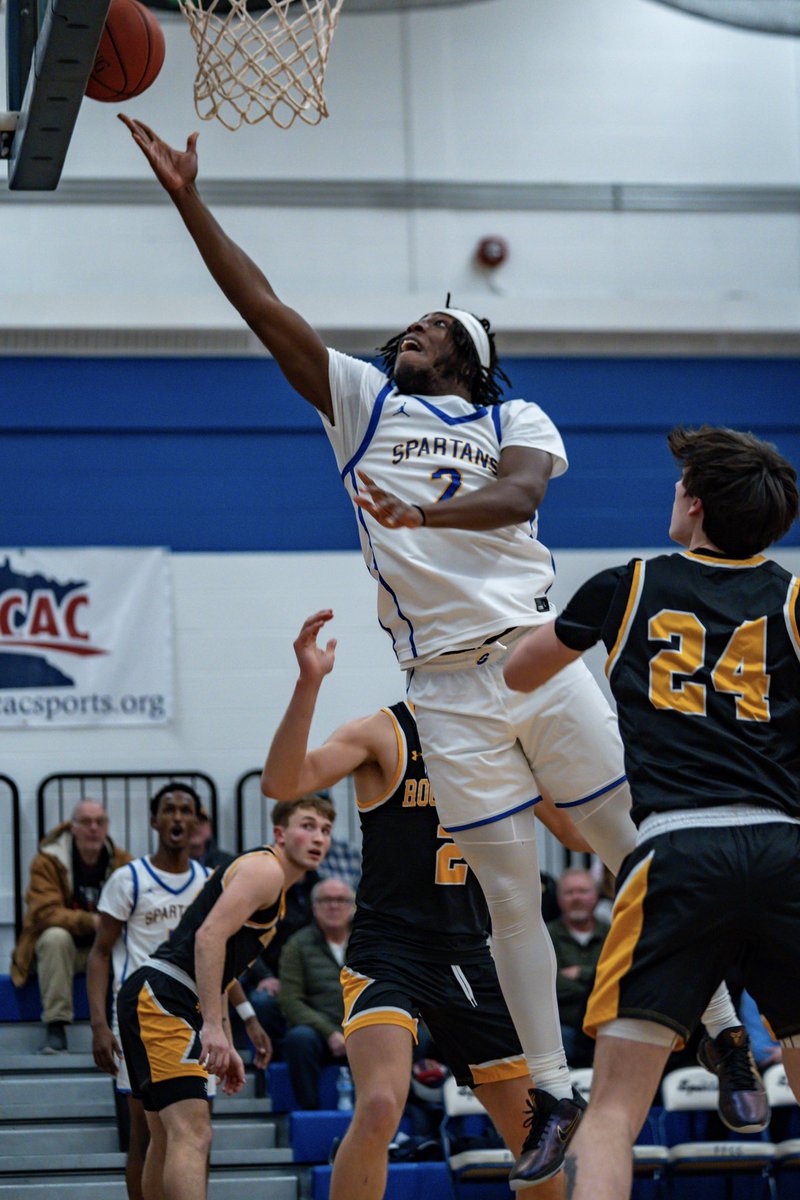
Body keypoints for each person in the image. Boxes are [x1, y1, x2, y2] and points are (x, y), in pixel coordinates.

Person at [118, 116, 753, 1185]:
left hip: (536, 657)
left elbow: (511, 496)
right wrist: (189, 200)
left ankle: (726, 1029)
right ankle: (551, 1091)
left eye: (428, 327)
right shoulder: (365, 405)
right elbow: (262, 309)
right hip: (438, 689)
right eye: (405, 328)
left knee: (635, 849)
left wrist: (424, 525)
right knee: (510, 887)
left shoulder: (522, 418)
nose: (406, 333)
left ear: (469, 352)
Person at [503, 424, 800, 1200]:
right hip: (784, 850)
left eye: (678, 487)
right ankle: (731, 1042)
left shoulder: (626, 583)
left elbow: (520, 670)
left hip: (677, 851)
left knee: (611, 1115)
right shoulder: (796, 599)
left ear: (695, 507)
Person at [261, 609, 600, 1200]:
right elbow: (282, 783)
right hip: (389, 949)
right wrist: (308, 683)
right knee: (381, 1104)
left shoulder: (507, 738)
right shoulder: (385, 732)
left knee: (536, 1145)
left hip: (471, 954)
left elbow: (574, 833)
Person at [115, 793, 334, 1200]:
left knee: (166, 1135)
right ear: (280, 833)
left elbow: (219, 968)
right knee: (193, 1132)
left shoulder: (274, 886)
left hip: (155, 994)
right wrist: (212, 1027)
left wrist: (227, 1036)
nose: (318, 837)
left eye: (325, 829)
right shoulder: (265, 870)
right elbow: (208, 938)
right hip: (166, 996)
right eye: (307, 826)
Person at [86, 782, 269, 1200]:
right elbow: (98, 954)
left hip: (198, 1016)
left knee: (195, 1131)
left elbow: (218, 962)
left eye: (187, 810)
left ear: (197, 823)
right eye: (169, 809)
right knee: (146, 1135)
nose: (178, 817)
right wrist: (98, 1024)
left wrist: (247, 1018)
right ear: (154, 820)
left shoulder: (211, 882)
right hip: (147, 1012)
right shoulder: (129, 878)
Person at [11, 799, 130, 1054]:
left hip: (102, 950)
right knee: (56, 937)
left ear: (107, 826)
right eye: (86, 822)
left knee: (130, 940)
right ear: (72, 827)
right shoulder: (48, 861)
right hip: (62, 952)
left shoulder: (121, 861)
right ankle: (56, 1027)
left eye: (100, 822)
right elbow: (45, 913)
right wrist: (95, 921)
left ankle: (128, 1027)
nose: (93, 828)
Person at [279, 876, 355, 1109]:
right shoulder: (297, 945)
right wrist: (329, 1032)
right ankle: (310, 1113)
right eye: (326, 900)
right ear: (314, 908)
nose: (334, 906)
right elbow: (290, 1001)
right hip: (321, 1036)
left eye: (341, 900)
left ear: (354, 907)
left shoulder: (369, 944)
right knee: (298, 1038)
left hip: (365, 1031)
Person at [547, 869, 609, 1069]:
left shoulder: (613, 933)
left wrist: (581, 974)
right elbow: (548, 984)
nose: (577, 898)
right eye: (569, 892)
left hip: (605, 1027)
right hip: (562, 1030)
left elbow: (623, 977)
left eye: (583, 891)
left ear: (596, 896)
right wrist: (596, 985)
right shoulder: (545, 936)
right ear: (558, 899)